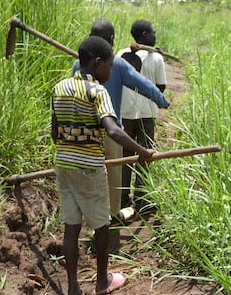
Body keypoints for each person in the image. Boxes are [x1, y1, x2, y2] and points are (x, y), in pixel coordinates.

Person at [54, 35, 155, 295]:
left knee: (71, 227)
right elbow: (112, 130)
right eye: (109, 66)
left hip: (63, 165)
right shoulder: (98, 92)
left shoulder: (60, 87)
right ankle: (102, 282)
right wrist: (142, 152)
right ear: (98, 64)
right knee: (101, 226)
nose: (110, 71)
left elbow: (55, 132)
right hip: (89, 167)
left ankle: (73, 292)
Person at [72, 19, 169, 222]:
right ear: (112, 39)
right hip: (110, 131)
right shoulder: (116, 63)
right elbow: (144, 85)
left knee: (88, 173)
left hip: (83, 131)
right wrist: (162, 101)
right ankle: (112, 214)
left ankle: (87, 212)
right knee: (113, 176)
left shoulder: (77, 64)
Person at [116, 20, 167, 212]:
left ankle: (121, 198)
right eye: (153, 32)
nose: (155, 35)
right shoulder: (156, 59)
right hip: (146, 113)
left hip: (125, 111)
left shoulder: (120, 54)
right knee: (145, 153)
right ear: (144, 35)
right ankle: (142, 198)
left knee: (124, 155)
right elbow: (161, 87)